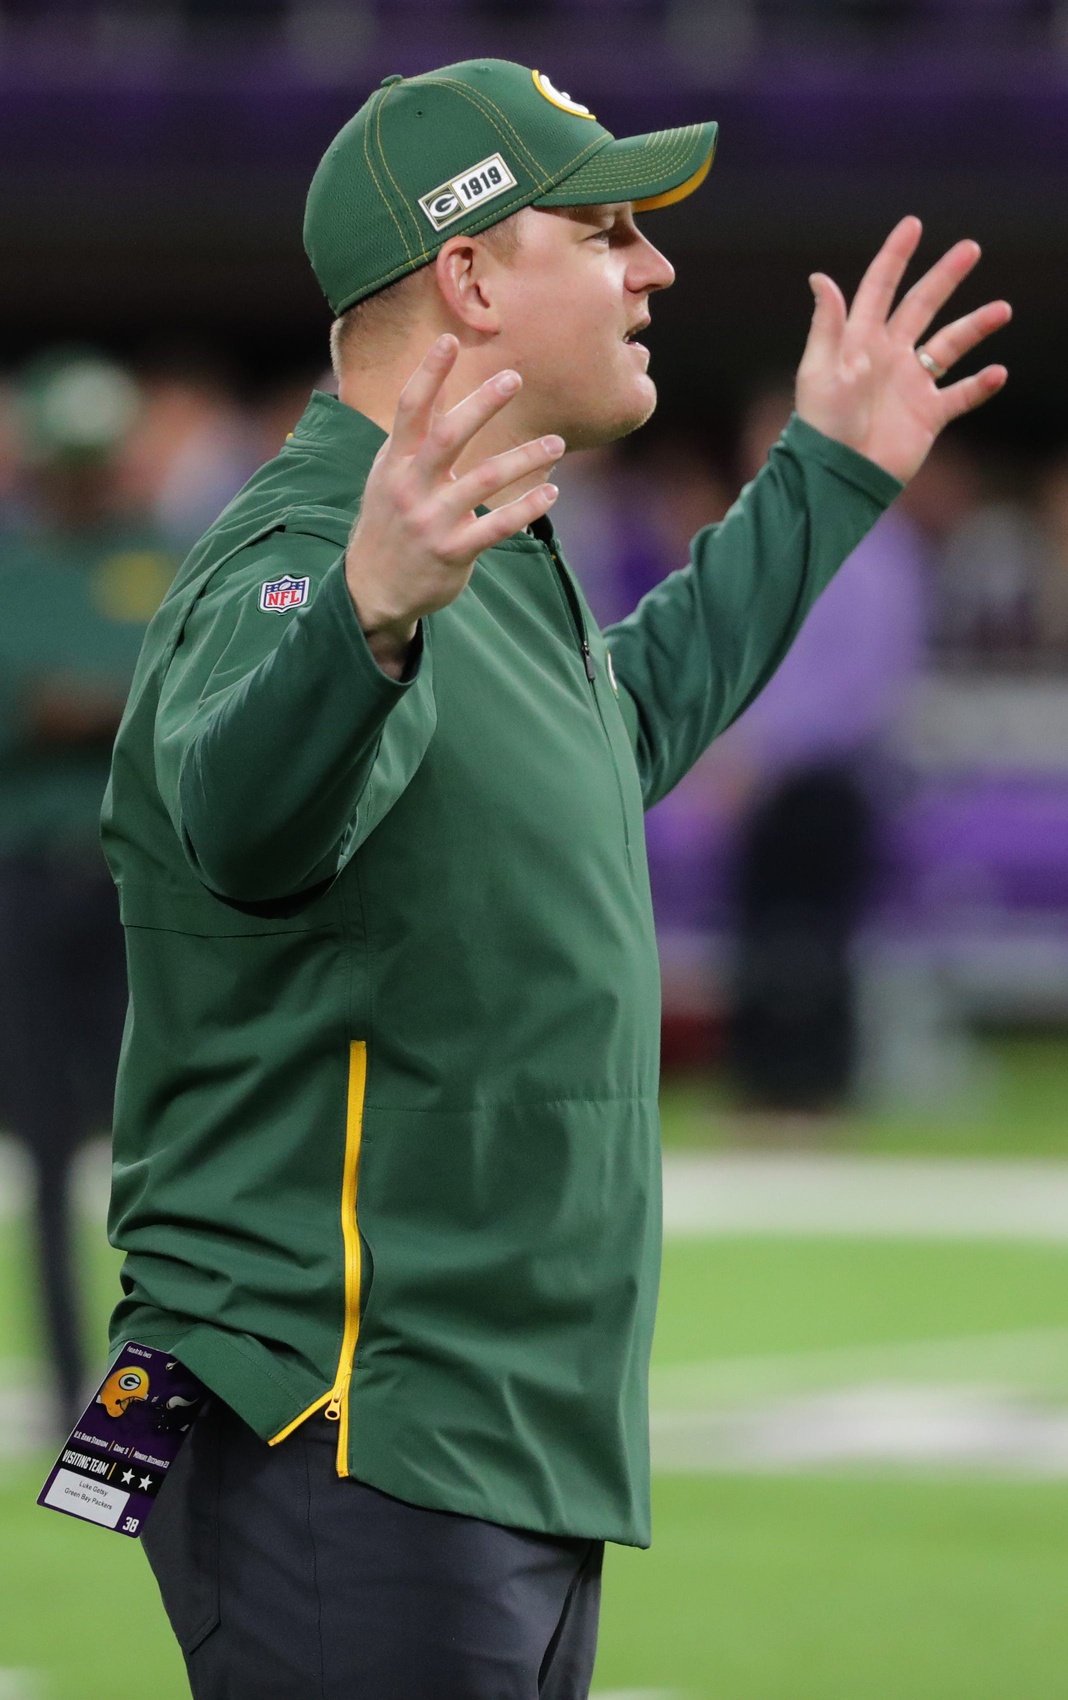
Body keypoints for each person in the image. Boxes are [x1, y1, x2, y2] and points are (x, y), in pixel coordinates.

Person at [102, 58, 1010, 1700]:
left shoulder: (489, 552)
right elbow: (239, 821)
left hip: (480, 1426)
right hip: (349, 1415)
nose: (653, 268)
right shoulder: (310, 551)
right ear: (465, 277)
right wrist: (364, 621)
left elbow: (619, 734)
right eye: (600, 231)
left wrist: (826, 473)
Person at [0, 351, 177, 1432]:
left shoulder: (162, 563)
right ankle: (75, 1389)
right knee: (50, 1150)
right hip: (25, 881)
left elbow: (177, 696)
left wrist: (77, 708)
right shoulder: (17, 573)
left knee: (160, 1141)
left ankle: (151, 1387)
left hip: (136, 890)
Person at [713, 382, 929, 1109]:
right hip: (768, 780)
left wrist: (763, 752)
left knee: (810, 942)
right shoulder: (764, 537)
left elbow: (863, 685)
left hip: (824, 781)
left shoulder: (868, 543)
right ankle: (767, 1090)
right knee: (762, 940)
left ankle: (811, 1092)